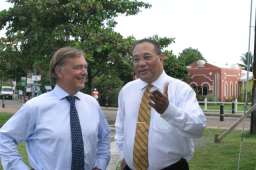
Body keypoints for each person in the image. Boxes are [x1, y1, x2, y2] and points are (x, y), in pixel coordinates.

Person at [0, 47, 111, 170]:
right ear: (59, 71)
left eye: (85, 67)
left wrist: (101, 163)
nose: (84, 72)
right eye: (78, 67)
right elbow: (5, 137)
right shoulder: (35, 106)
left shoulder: (92, 104)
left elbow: (104, 136)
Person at [115, 39, 206, 170]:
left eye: (147, 57)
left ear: (161, 58)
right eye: (136, 59)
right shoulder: (127, 90)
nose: (141, 63)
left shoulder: (181, 90)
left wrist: (168, 110)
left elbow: (198, 128)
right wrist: (123, 155)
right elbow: (120, 127)